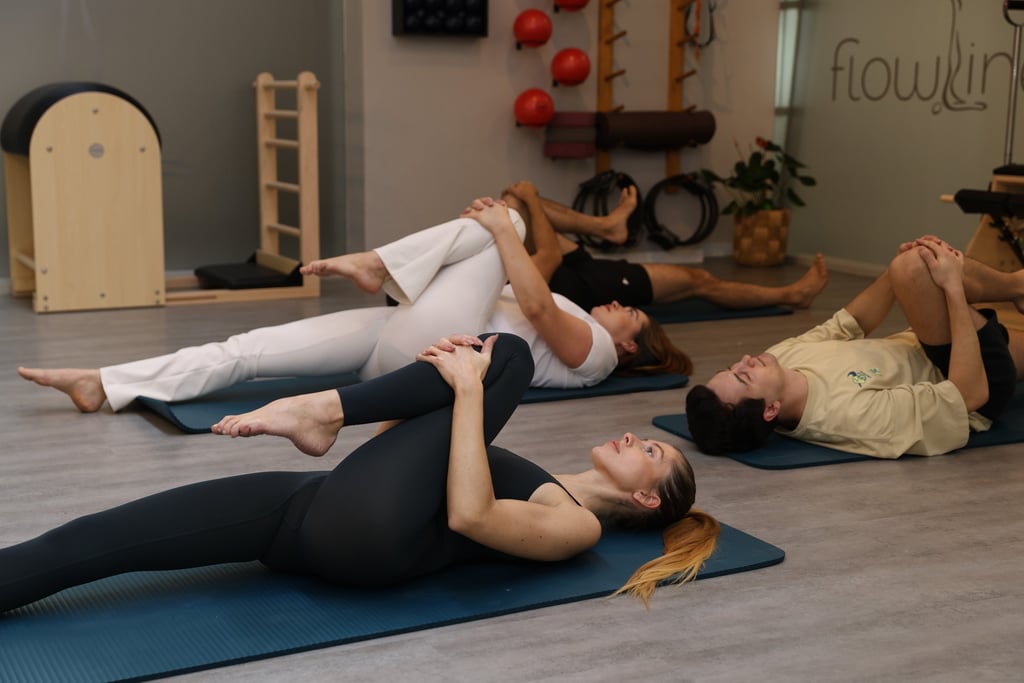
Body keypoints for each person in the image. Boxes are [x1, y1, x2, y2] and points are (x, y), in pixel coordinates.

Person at [0, 333, 719, 613]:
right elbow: (389, 449)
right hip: (315, 505)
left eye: (653, 453)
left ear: (644, 497)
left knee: (509, 359)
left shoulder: (578, 524)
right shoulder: (536, 471)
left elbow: (469, 515)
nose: (637, 437)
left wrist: (470, 392)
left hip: (373, 543)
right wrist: (445, 386)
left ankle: (320, 409)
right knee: (101, 538)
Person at [17, 198, 690, 414]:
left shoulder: (598, 355)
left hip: (437, 355)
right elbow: (517, 288)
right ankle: (105, 383)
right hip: (402, 334)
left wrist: (497, 229)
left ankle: (376, 263)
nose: (619, 305)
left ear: (632, 343)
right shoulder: (580, 310)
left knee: (508, 219)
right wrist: (477, 241)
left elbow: (538, 312)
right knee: (249, 350)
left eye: (631, 313)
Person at [685, 235, 1024, 458]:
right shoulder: (847, 416)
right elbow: (968, 395)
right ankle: (1017, 286)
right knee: (918, 268)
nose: (745, 360)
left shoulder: (779, 361)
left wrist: (893, 273)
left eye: (732, 367)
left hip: (926, 343)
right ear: (770, 410)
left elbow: (851, 322)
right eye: (743, 377)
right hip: (972, 378)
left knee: (911, 263)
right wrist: (952, 290)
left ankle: (1018, 287)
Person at [500, 180, 829, 313]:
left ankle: (608, 226)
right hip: (586, 287)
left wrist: (525, 199)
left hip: (577, 271)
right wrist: (532, 196)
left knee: (514, 200)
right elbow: (550, 256)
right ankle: (790, 295)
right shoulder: (506, 282)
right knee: (699, 281)